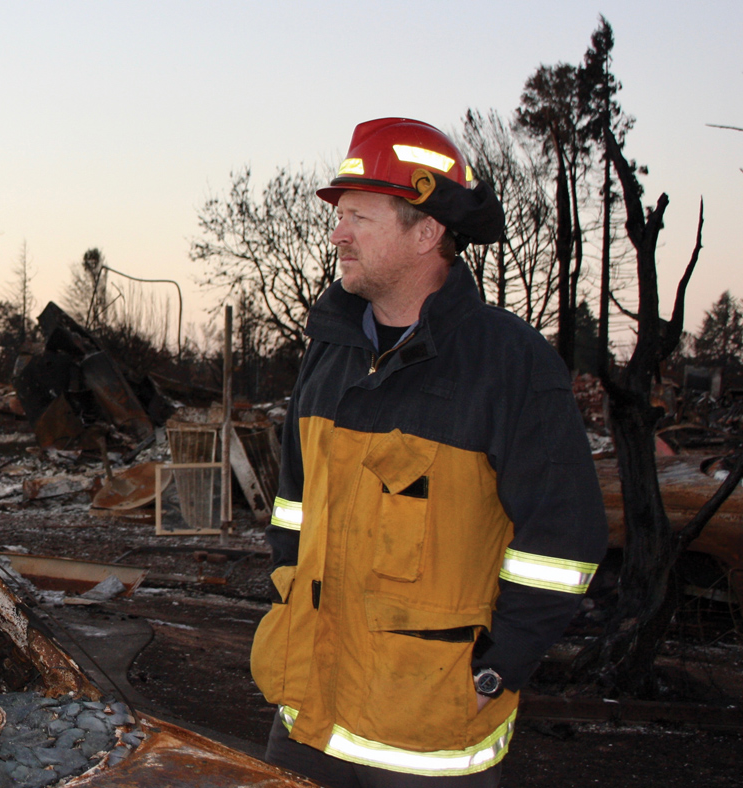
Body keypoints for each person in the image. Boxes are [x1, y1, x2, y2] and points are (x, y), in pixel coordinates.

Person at [250, 118, 608, 787]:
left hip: (427, 736)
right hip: (307, 713)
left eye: (359, 216)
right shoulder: (329, 352)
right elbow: (293, 510)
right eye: (340, 215)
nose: (338, 233)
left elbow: (565, 542)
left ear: (426, 232)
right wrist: (286, 600)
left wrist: (496, 668)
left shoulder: (511, 364)